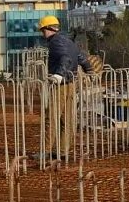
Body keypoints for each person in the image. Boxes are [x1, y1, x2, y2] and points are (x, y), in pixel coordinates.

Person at [38, 15, 93, 160]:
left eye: (43, 31)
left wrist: (59, 74)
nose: (42, 34)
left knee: (52, 117)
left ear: (48, 29)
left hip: (60, 85)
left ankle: (46, 151)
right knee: (67, 118)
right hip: (71, 83)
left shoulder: (55, 42)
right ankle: (63, 150)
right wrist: (89, 70)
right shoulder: (68, 41)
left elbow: (65, 58)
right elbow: (80, 57)